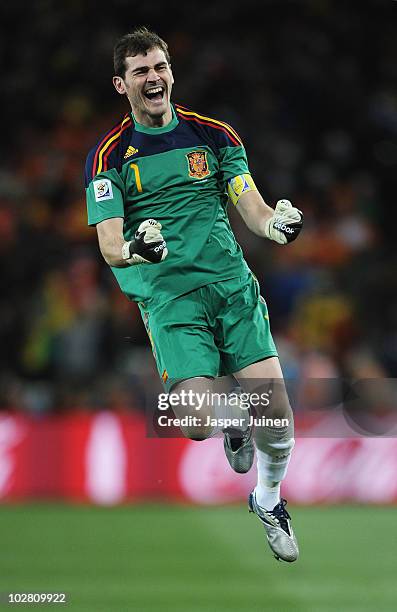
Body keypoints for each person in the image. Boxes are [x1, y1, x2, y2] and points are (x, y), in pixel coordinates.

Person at [84, 26, 303, 563]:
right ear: (122, 84)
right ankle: (232, 423)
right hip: (171, 302)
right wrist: (139, 246)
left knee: (276, 419)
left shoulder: (214, 136)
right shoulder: (110, 156)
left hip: (230, 287)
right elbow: (111, 246)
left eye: (159, 67)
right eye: (141, 71)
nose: (153, 78)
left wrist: (275, 225)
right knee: (194, 423)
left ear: (171, 73)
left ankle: (268, 498)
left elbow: (248, 202)